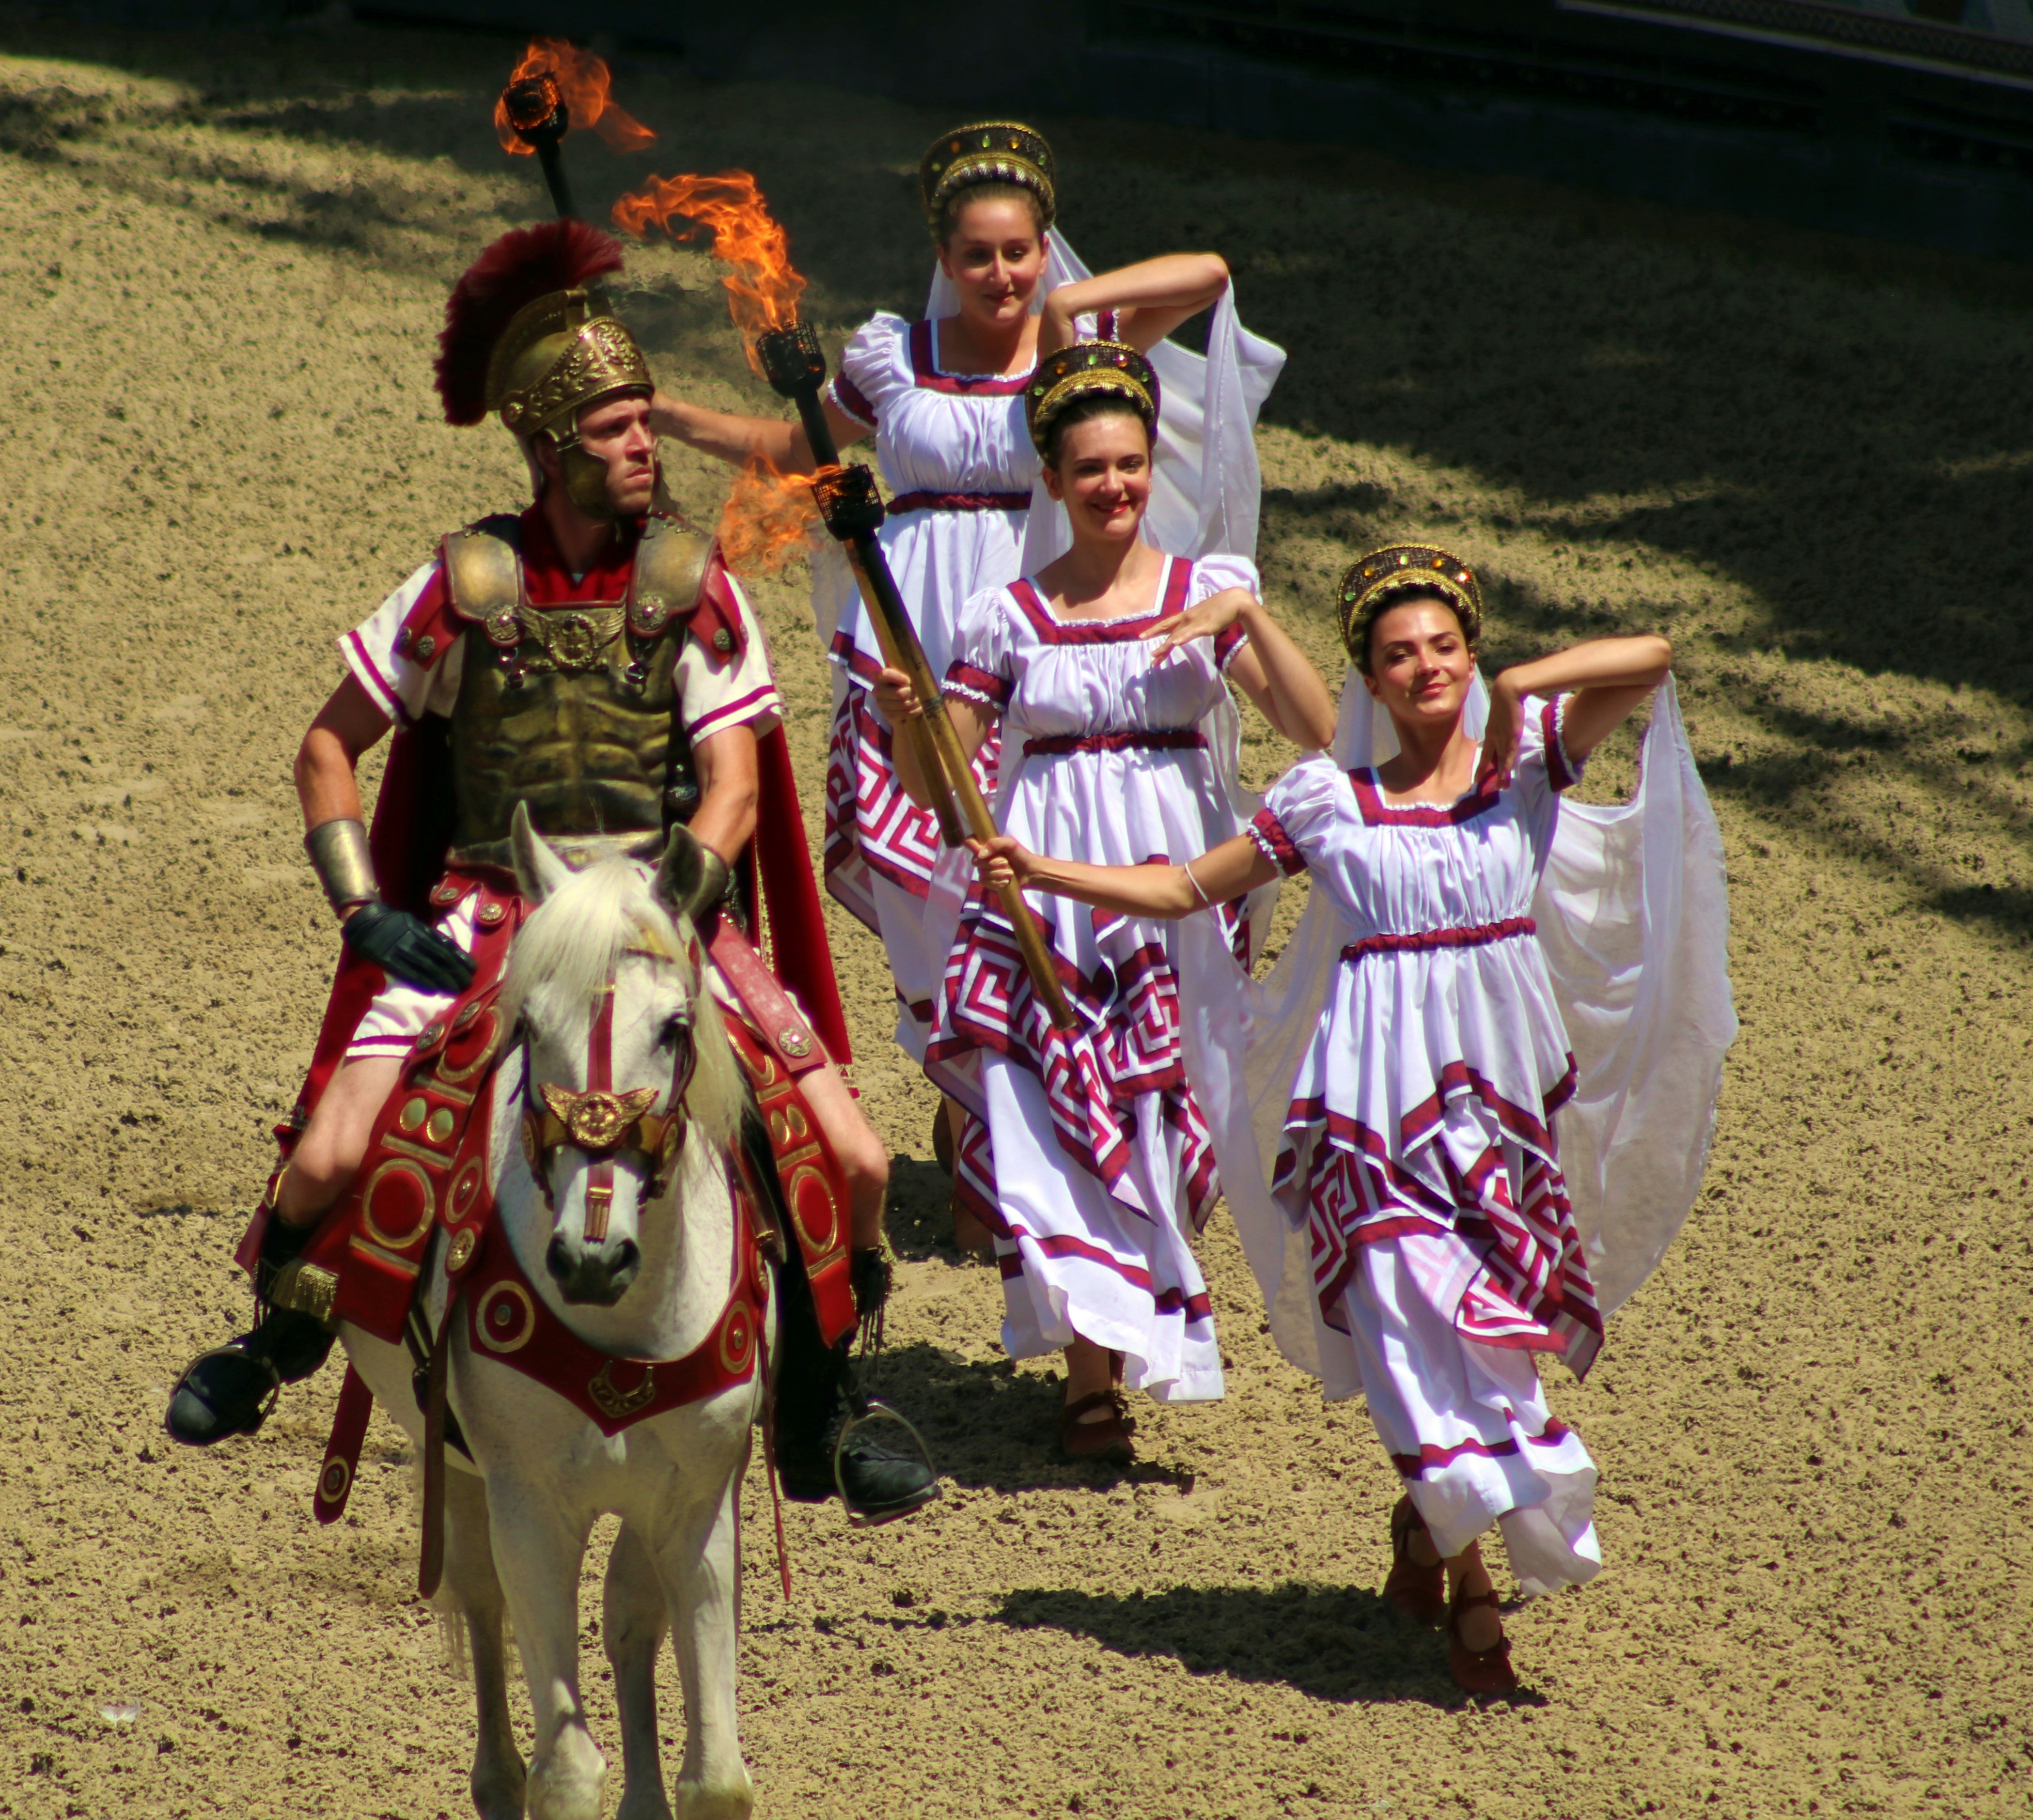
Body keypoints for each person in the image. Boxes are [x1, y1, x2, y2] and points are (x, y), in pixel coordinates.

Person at [161, 220, 941, 1523]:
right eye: (617, 428)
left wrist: (685, 891)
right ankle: (274, 1336)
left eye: (646, 422)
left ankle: (829, 1397)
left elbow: (737, 782)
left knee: (855, 1159)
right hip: (493, 911)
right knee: (332, 1151)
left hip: (660, 905)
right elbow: (325, 749)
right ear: (548, 447)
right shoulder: (462, 584)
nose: (646, 446)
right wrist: (364, 912)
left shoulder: (692, 582)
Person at [968, 544, 1732, 1688]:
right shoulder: (1325, 802)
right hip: (1368, 1123)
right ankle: (1474, 1588)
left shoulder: (1523, 764)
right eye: (1398, 654)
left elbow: (1653, 657)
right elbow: (1182, 887)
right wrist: (1040, 870)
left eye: (1444, 647)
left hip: (1495, 1120)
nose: (1425, 667)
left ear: (1469, 657)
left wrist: (1521, 683)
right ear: (1369, 680)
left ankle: (1428, 1527)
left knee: (1486, 1342)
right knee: (1403, 1329)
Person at [656, 121, 1266, 1213]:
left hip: (1043, 638)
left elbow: (1212, 273)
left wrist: (1072, 311)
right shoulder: (894, 356)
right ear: (942, 258)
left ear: (1045, 248)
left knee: (1033, 863)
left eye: (1020, 251)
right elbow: (798, 447)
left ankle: (1039, 1122)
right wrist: (664, 414)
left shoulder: (1082, 344)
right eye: (977, 254)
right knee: (928, 898)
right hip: (908, 639)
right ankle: (976, 1096)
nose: (1001, 273)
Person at [866, 341, 1333, 1460]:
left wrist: (1246, 615)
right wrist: (905, 718)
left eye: (1130, 464)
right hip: (1046, 887)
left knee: (1171, 1114)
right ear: (1053, 480)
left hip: (1179, 892)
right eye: (1090, 470)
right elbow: (942, 786)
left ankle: (1133, 1323)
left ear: (1149, 465)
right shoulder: (1006, 615)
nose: (1114, 486)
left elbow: (1316, 729)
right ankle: (1092, 1379)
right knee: (1062, 1115)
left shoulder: (1204, 593)